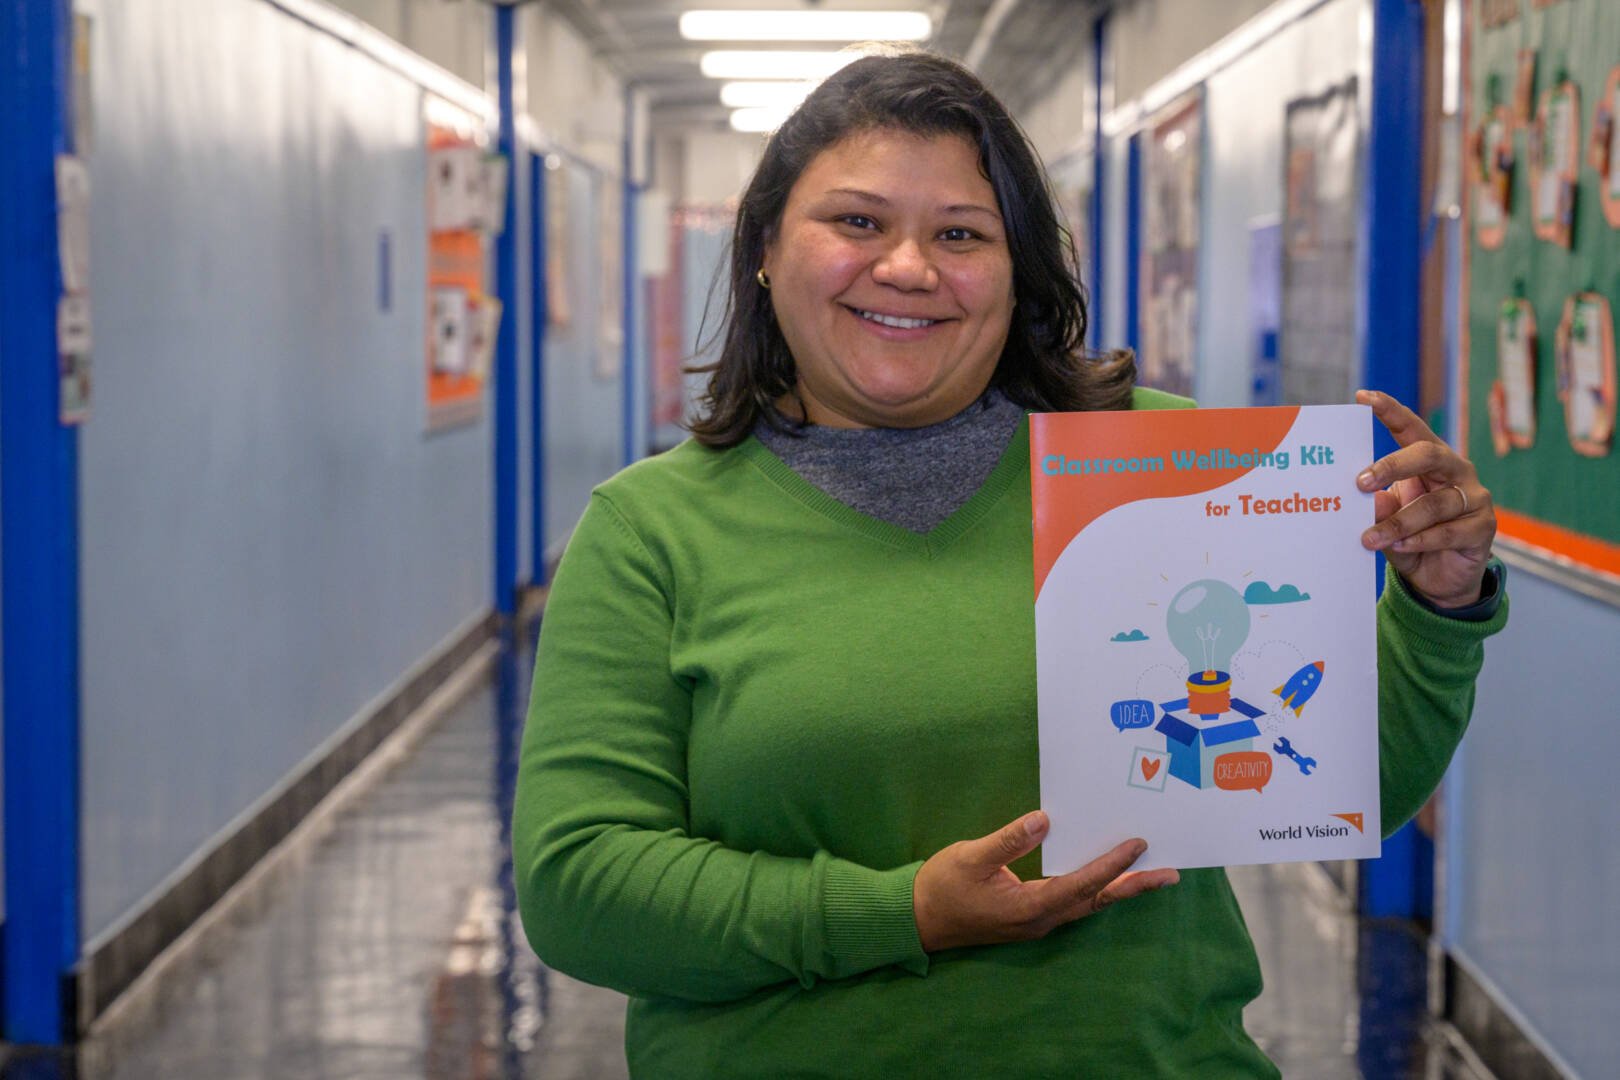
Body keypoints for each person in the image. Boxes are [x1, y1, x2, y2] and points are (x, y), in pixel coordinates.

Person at [512, 50, 1506, 1078]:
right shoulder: (652, 532)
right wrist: (903, 915)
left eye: (960, 234)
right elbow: (580, 890)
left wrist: (1439, 600)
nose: (907, 266)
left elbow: (1339, 783)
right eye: (856, 222)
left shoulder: (1163, 469)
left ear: (1018, 267)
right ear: (766, 248)